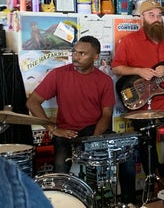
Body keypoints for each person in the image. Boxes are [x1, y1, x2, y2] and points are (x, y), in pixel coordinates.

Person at [25, 35, 135, 204]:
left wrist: (94, 140)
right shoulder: (58, 75)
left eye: (82, 54)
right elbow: (32, 102)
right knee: (60, 167)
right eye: (74, 52)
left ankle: (129, 202)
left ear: (95, 57)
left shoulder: (104, 80)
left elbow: (106, 115)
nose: (76, 57)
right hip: (66, 132)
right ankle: (60, 204)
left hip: (94, 130)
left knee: (127, 156)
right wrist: (53, 129)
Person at [111, 0, 164, 185]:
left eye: (159, 15)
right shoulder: (129, 41)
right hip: (142, 103)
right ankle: (153, 182)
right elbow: (116, 68)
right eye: (151, 15)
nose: (156, 19)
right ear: (142, 18)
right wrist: (139, 71)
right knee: (147, 142)